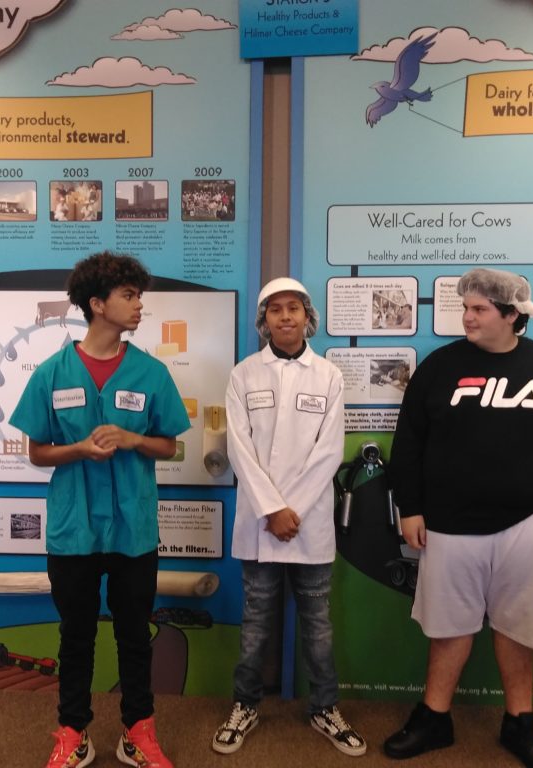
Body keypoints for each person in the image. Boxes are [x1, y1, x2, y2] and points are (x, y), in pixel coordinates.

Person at [384, 268, 533, 768]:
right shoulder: (440, 367)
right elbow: (410, 443)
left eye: (479, 309)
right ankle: (434, 718)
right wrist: (411, 507)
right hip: (448, 521)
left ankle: (520, 723)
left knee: (519, 624)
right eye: (465, 307)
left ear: (511, 315)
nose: (467, 317)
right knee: (448, 627)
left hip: (528, 521)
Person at [10, 252, 191, 768]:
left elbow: (169, 447)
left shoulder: (150, 372)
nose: (138, 306)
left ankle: (138, 732)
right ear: (97, 304)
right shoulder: (52, 373)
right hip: (73, 530)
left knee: (135, 633)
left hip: (134, 527)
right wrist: (79, 450)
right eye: (129, 296)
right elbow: (38, 451)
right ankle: (73, 732)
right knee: (77, 636)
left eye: (139, 296)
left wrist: (134, 438)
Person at [212, 277, 367, 758]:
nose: (284, 317)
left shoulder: (329, 376)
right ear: (263, 320)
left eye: (293, 308)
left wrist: (289, 510)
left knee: (317, 626)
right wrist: (271, 509)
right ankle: (245, 705)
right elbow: (239, 448)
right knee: (256, 622)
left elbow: (330, 451)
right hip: (262, 524)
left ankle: (324, 707)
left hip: (308, 522)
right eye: (275, 310)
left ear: (307, 316)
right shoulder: (243, 375)